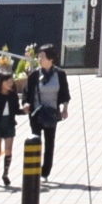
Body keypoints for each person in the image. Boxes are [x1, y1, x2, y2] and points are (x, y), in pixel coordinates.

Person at [26, 45, 71, 182]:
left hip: (51, 113)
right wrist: (26, 104)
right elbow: (27, 93)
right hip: (36, 113)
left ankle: (45, 171)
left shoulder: (60, 74)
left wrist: (64, 109)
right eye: (39, 56)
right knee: (35, 140)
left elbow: (64, 93)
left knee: (49, 141)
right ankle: (34, 167)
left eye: (42, 56)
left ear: (50, 59)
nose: (39, 59)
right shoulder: (34, 74)